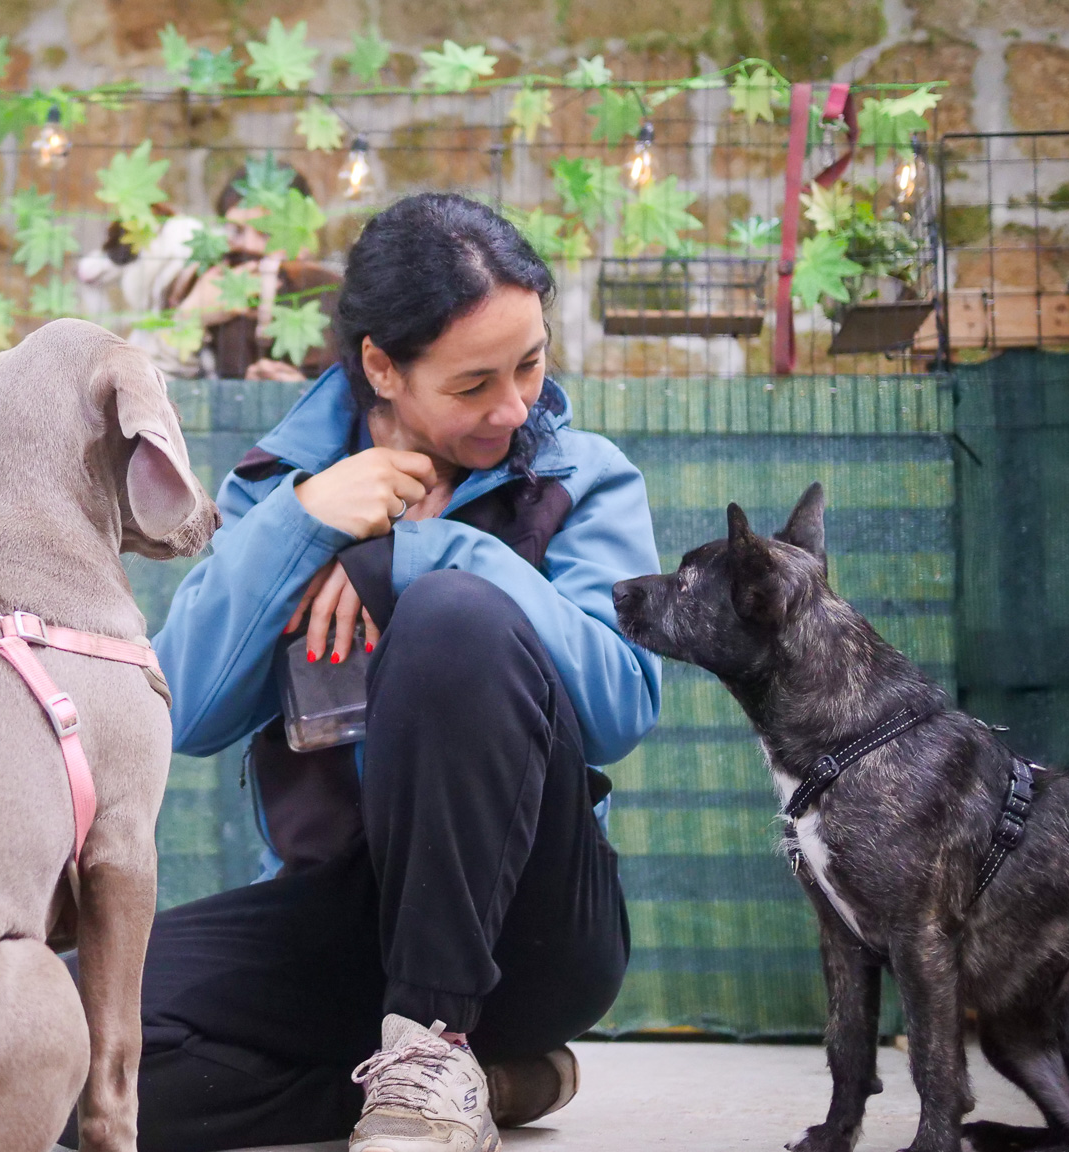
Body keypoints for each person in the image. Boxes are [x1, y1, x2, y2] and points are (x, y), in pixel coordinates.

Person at [118, 193, 663, 1152]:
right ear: (380, 365)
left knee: (455, 621)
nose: (514, 407)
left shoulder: (584, 477)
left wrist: (433, 556)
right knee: (82, 1047)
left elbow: (620, 706)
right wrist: (305, 522)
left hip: (529, 935)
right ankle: (477, 1088)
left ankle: (437, 1038)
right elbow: (184, 712)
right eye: (473, 384)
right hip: (341, 918)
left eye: (530, 364)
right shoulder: (280, 485)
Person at [169, 164, 343, 381]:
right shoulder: (199, 286)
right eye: (236, 231)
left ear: (303, 239)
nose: (249, 246)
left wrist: (299, 391)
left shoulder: (332, 298)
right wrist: (190, 314)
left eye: (267, 234)